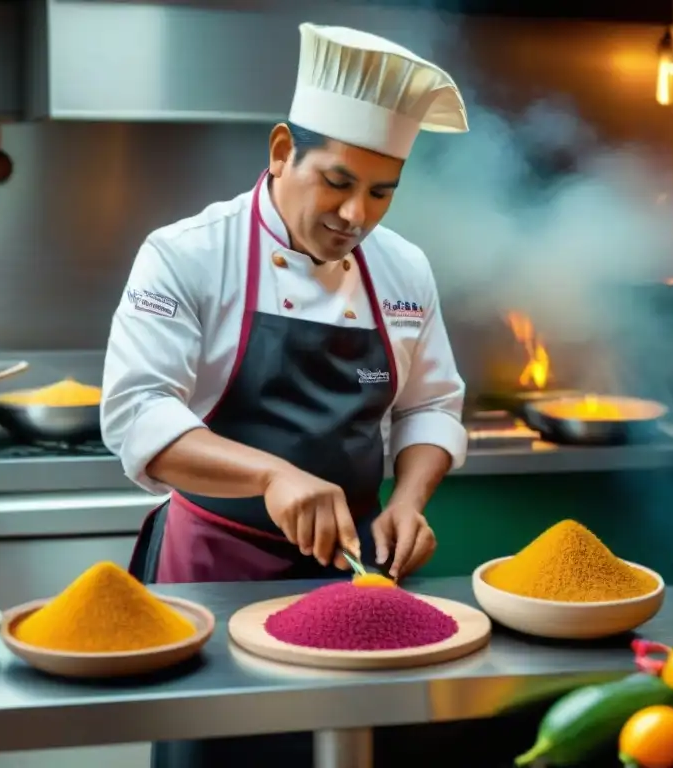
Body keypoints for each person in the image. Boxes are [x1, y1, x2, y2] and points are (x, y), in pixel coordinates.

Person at [100, 22, 469, 767]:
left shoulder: (402, 269)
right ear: (280, 152)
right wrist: (270, 475)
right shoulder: (187, 255)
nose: (355, 216)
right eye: (336, 182)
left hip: (357, 579)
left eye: (381, 193)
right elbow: (138, 413)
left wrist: (408, 500)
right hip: (214, 577)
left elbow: (431, 405)